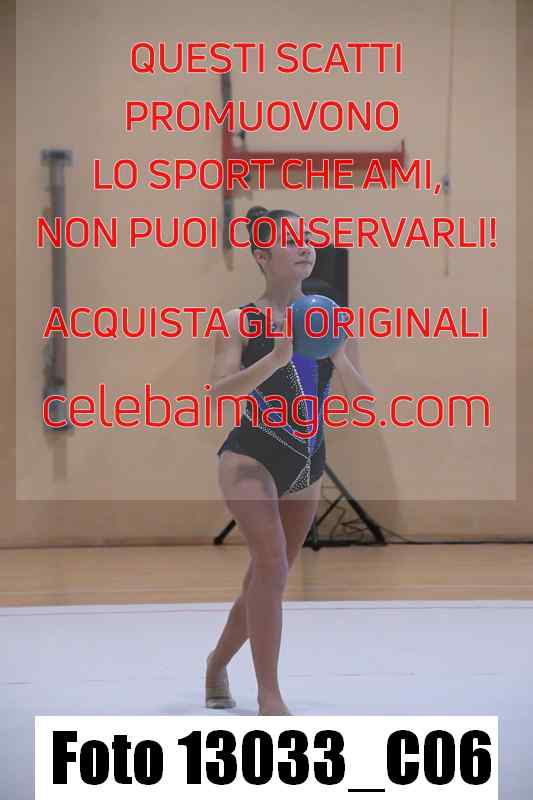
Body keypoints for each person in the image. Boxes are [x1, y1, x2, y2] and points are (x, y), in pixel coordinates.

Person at [205, 206, 375, 715]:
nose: (305, 246)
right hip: (249, 456)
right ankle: (269, 693)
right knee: (273, 563)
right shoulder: (239, 321)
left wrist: (338, 355)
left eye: (308, 238)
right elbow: (217, 393)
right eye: (290, 240)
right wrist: (275, 359)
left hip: (306, 461)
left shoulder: (333, 318)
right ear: (262, 255)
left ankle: (216, 663)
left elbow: (363, 401)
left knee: (269, 576)